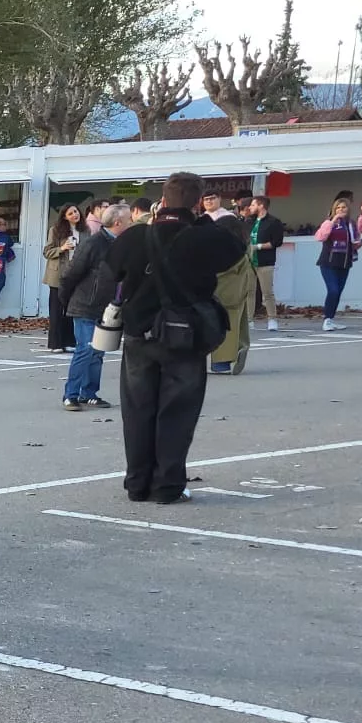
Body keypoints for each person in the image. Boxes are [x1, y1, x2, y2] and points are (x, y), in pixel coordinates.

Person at [105, 171, 244, 504]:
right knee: (178, 412)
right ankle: (168, 485)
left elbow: (110, 273)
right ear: (198, 204)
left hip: (139, 334)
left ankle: (137, 483)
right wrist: (201, 222)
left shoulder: (134, 237)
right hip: (185, 335)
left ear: (162, 200)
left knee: (137, 410)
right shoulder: (205, 236)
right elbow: (235, 251)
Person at [58, 205, 119, 409]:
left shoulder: (119, 244)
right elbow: (71, 273)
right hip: (85, 303)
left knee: (98, 351)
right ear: (118, 222)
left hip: (105, 305)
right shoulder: (94, 243)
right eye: (128, 220)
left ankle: (89, 393)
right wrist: (66, 300)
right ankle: (71, 395)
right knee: (85, 349)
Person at [208, 204, 256, 376]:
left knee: (221, 326)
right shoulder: (245, 245)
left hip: (221, 291)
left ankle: (220, 363)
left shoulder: (222, 248)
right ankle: (241, 347)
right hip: (240, 289)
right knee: (238, 324)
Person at [41, 205, 85, 352]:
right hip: (58, 274)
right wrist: (62, 248)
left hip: (76, 273)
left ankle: (69, 341)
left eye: (76, 212)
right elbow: (47, 251)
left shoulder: (85, 231)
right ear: (64, 216)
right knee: (56, 310)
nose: (74, 215)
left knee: (70, 309)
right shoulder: (55, 230)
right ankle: (55, 343)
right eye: (70, 213)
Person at [313, 196, 360, 331]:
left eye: (343, 207)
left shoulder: (351, 224)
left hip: (344, 263)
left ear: (348, 209)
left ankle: (330, 318)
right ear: (333, 210)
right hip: (328, 263)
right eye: (338, 208)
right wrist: (333, 220)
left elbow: (355, 241)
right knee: (332, 290)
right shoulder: (328, 222)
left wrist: (358, 244)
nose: (341, 210)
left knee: (338, 292)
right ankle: (326, 320)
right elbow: (321, 237)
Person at [247, 195, 285, 331]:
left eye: (253, 205)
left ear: (261, 205)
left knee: (267, 292)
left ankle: (272, 319)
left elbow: (277, 242)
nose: (250, 208)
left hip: (265, 261)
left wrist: (259, 246)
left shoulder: (273, 222)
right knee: (249, 292)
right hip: (249, 261)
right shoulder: (249, 221)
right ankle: (249, 319)